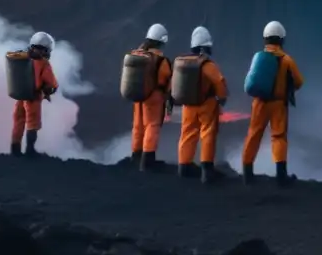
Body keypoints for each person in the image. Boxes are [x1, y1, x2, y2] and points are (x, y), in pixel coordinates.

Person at [240, 21, 305, 187]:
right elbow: (299, 81)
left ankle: (247, 173)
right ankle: (281, 176)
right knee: (278, 137)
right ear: (281, 40)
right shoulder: (286, 60)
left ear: (265, 39)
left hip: (259, 102)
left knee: (254, 134)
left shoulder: (259, 57)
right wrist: (287, 87)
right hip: (278, 104)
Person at [177, 26, 229, 184]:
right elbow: (219, 81)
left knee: (187, 133)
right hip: (206, 104)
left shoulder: (183, 62)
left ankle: (184, 166)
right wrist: (222, 98)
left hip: (188, 106)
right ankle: (207, 170)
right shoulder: (207, 65)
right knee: (207, 133)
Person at [130, 23, 173, 172]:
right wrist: (170, 97)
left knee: (138, 125)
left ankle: (136, 155)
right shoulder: (161, 60)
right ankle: (148, 160)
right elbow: (167, 80)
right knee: (152, 125)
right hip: (154, 97)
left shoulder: (137, 55)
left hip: (139, 96)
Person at [11, 32, 58, 157]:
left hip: (20, 96)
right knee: (33, 123)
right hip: (33, 97)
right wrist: (50, 90)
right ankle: (30, 151)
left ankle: (15, 150)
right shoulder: (43, 63)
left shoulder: (21, 58)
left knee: (18, 122)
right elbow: (51, 82)